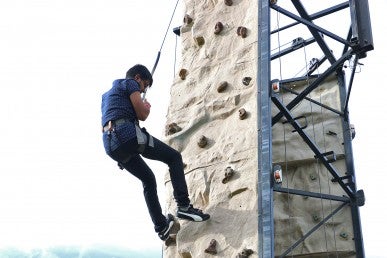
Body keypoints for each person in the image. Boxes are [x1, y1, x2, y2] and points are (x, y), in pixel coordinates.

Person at [101, 64, 210, 241]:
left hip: (111, 145)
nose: (143, 89)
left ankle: (161, 226)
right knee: (174, 157)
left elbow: (105, 123)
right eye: (144, 85)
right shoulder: (130, 84)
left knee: (148, 180)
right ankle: (183, 205)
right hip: (128, 135)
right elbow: (142, 114)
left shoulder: (107, 96)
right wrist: (146, 106)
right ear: (137, 78)